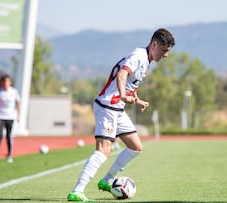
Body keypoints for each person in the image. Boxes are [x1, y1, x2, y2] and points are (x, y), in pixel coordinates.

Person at [67, 28, 175, 202]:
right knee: (103, 151)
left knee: (136, 147)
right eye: (164, 50)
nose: (166, 55)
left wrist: (136, 99)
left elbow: (132, 83)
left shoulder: (146, 61)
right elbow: (122, 74)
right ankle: (77, 191)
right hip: (107, 106)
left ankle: (107, 180)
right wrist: (123, 95)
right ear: (154, 44)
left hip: (118, 109)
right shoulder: (138, 56)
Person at [0, 74, 21, 163]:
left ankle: (9, 155)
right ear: (2, 82)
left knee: (9, 136)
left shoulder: (14, 92)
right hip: (1, 116)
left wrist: (18, 114)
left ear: (10, 82)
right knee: (0, 135)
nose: (6, 83)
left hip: (10, 116)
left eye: (7, 81)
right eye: (4, 82)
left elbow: (18, 103)